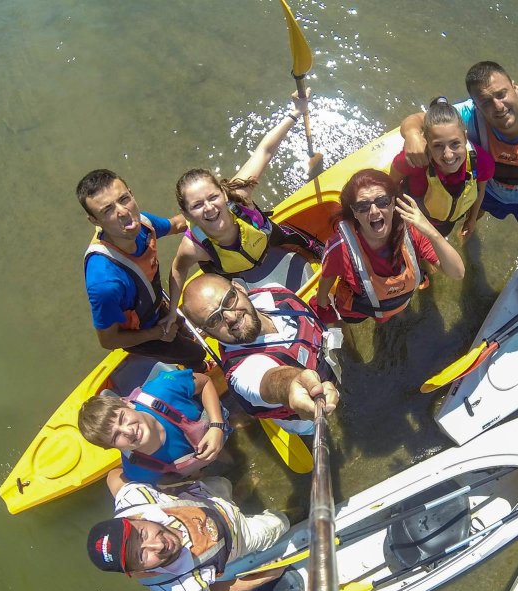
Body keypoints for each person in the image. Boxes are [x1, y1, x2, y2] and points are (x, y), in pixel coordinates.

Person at [400, 61, 518, 304]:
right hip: (487, 190)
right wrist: (413, 135)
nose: (498, 107)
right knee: (458, 223)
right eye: (486, 102)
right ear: (476, 105)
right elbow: (417, 120)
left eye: (502, 94)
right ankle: (444, 247)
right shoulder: (468, 114)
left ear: (514, 86)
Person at [172, 89, 322, 298]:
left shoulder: (238, 195)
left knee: (319, 251)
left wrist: (295, 112)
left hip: (272, 244)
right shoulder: (193, 247)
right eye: (197, 205)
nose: (209, 208)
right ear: (187, 214)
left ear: (223, 194)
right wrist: (172, 312)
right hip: (241, 278)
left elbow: (265, 151)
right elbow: (178, 269)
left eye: (213, 197)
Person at [86, 477, 289, 591]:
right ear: (136, 571)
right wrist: (263, 577)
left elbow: (114, 476)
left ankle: (237, 496)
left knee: (223, 482)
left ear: (132, 518)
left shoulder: (134, 499)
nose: (157, 545)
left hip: (209, 498)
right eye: (141, 556)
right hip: (241, 538)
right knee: (281, 523)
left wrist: (168, 478)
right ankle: (290, 513)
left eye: (141, 534)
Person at [77, 169, 208, 370]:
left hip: (155, 305)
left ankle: (189, 345)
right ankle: (200, 372)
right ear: (94, 221)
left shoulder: (143, 224)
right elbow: (108, 341)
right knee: (195, 354)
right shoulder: (105, 283)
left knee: (185, 331)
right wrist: (158, 334)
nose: (123, 212)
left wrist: (215, 207)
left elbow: (176, 224)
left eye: (124, 198)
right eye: (107, 210)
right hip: (143, 334)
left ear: (131, 193)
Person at [181, 273, 339, 435]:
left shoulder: (273, 294)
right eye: (214, 320)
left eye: (228, 300)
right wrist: (292, 385)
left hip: (329, 364)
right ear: (208, 333)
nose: (230, 317)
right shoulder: (242, 374)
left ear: (239, 288)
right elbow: (271, 381)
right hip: (307, 417)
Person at [312, 169, 466, 324]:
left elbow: (457, 273)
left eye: (382, 201)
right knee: (350, 320)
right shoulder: (339, 248)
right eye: (363, 206)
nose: (374, 211)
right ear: (354, 212)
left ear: (393, 203)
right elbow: (326, 280)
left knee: (385, 316)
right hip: (357, 309)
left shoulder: (412, 232)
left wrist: (432, 233)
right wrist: (323, 305)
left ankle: (391, 313)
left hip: (392, 301)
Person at [77, 366, 230, 490]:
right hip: (199, 467)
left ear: (127, 403)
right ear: (112, 447)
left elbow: (205, 382)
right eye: (116, 436)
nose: (128, 431)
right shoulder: (137, 470)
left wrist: (217, 425)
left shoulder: (163, 388)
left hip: (217, 427)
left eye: (123, 418)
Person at [389, 97, 495, 240]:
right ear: (426, 141)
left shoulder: (482, 161)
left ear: (464, 137)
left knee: (441, 237)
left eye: (455, 144)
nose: (448, 155)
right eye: (438, 145)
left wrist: (471, 219)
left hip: (447, 221)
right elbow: (391, 183)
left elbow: (480, 191)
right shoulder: (415, 160)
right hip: (416, 219)